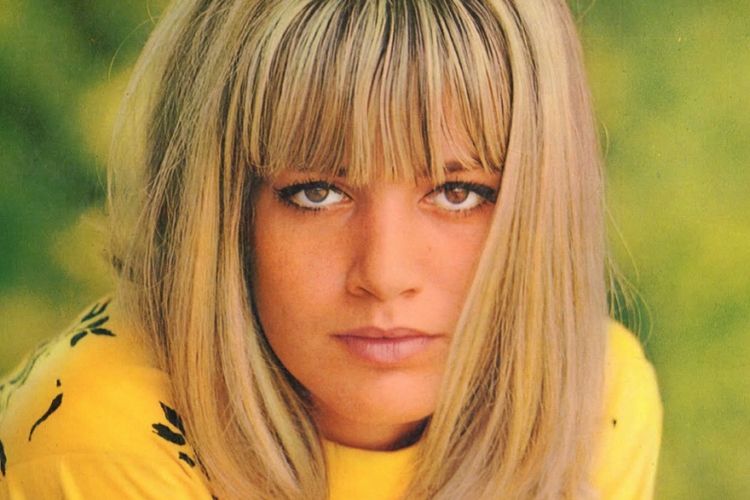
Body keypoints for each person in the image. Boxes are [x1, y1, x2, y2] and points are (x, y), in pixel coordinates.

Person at [0, 0, 662, 498]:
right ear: (220, 211)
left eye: (458, 193)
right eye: (317, 192)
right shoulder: (92, 441)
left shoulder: (596, 405)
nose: (385, 274)